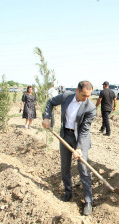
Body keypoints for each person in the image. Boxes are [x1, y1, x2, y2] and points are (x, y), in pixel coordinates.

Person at [42, 81, 96, 216]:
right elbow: (50, 102)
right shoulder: (66, 96)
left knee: (83, 169)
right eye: (84, 95)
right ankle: (68, 192)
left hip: (79, 139)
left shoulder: (90, 108)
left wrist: (79, 148)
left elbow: (84, 130)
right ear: (77, 91)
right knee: (65, 166)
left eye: (88, 96)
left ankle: (88, 200)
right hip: (65, 135)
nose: (86, 98)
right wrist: (47, 117)